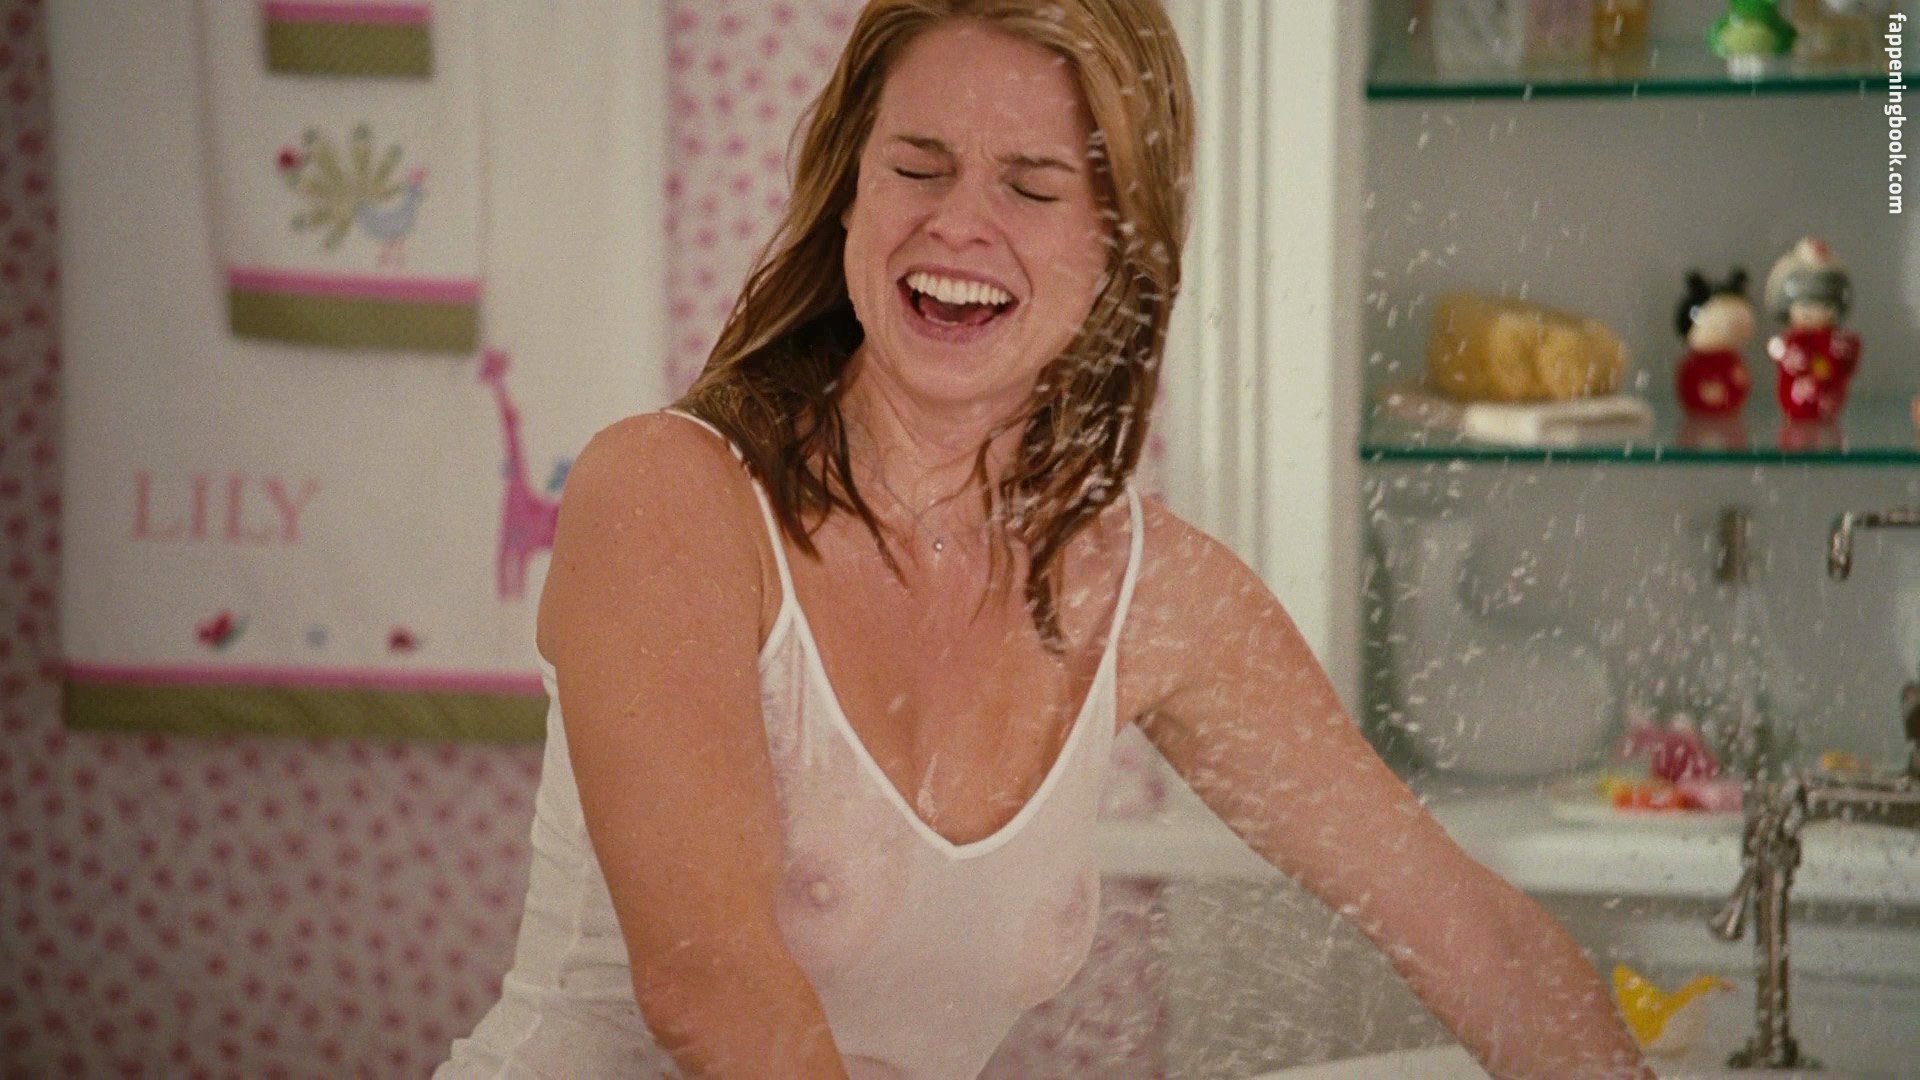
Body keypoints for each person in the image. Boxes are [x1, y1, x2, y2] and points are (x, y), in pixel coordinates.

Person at [440, 1, 1654, 1077]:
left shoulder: (1156, 598)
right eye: (918, 167)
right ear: (851, 191)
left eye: (1031, 188)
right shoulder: (672, 497)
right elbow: (713, 991)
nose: (959, 225)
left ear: (1118, 246)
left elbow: (1470, 933)